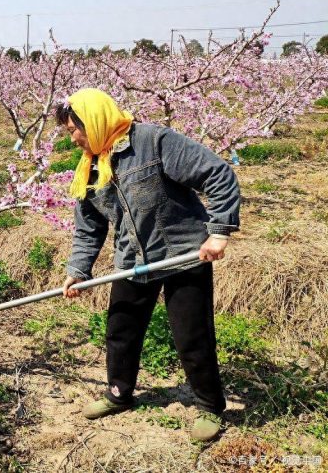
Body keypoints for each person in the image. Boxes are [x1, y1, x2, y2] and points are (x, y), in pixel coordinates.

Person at [57, 88, 240, 442]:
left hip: (183, 254)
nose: (74, 138)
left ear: (93, 121)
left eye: (74, 130)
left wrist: (219, 232)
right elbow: (89, 227)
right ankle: (118, 394)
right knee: (121, 329)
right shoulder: (91, 166)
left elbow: (218, 175)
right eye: (69, 132)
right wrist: (78, 271)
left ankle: (209, 405)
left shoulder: (154, 141)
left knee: (192, 335)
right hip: (132, 260)